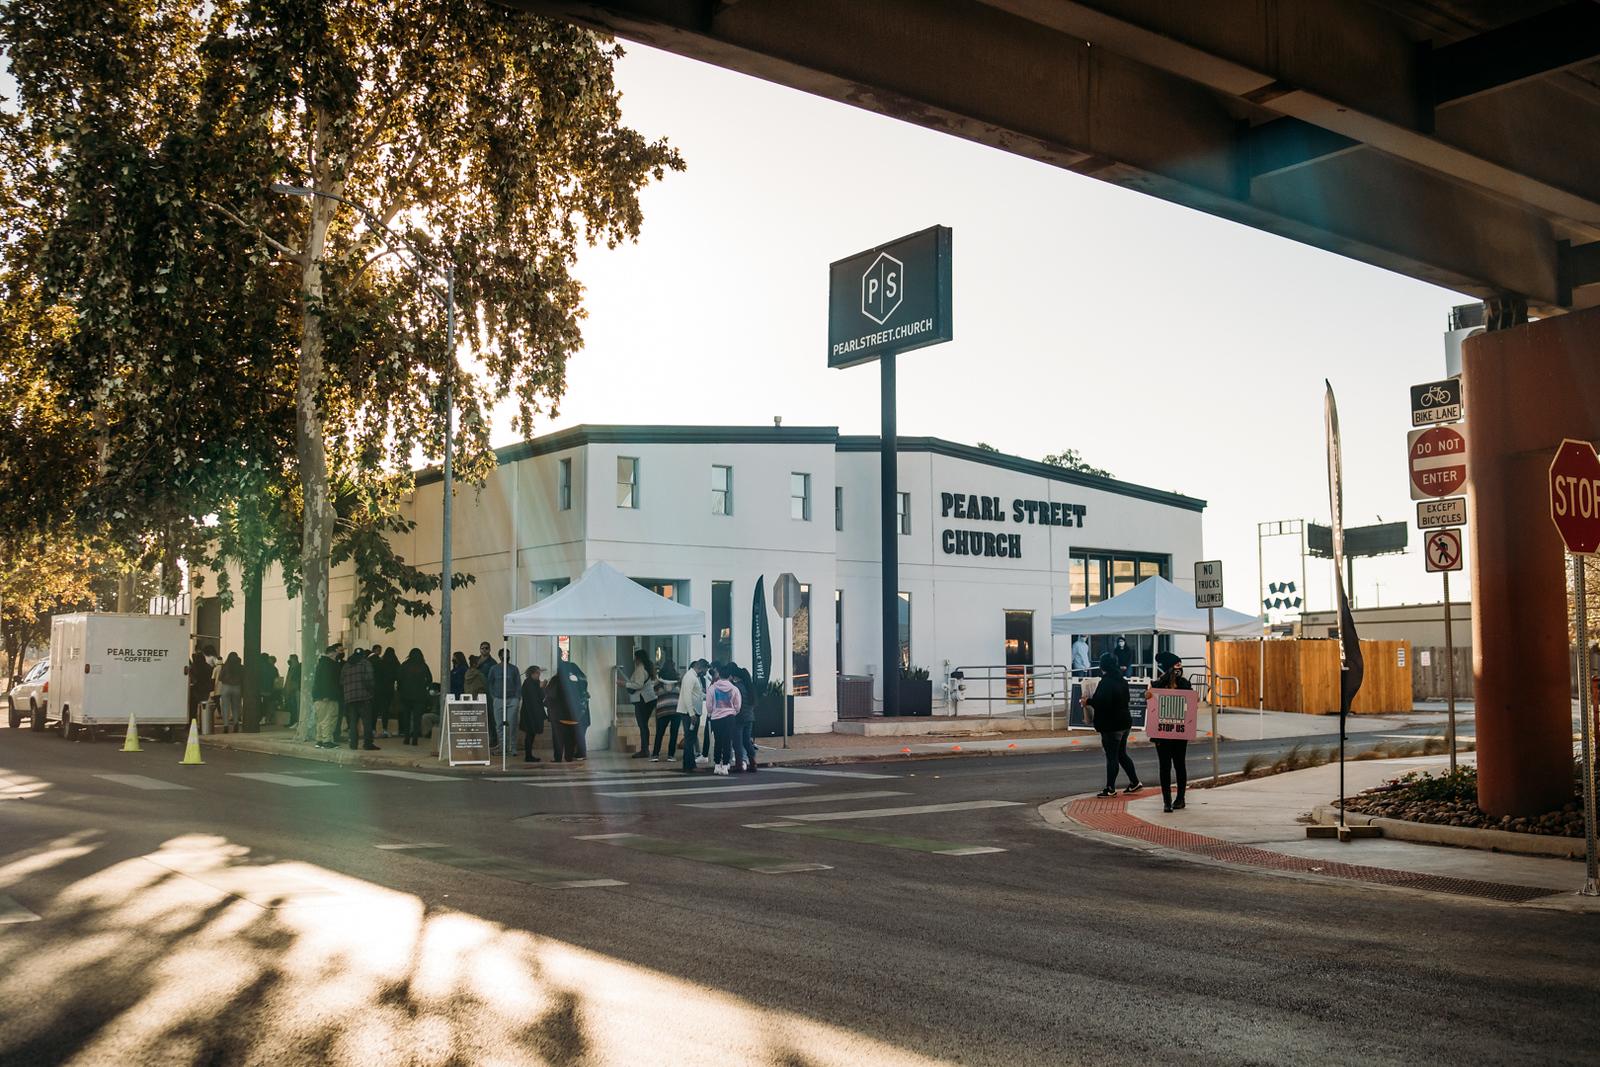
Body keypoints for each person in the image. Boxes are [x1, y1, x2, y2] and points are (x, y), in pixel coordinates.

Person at [1086, 652, 1141, 797]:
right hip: (1124, 722)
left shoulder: (1106, 682)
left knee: (1112, 757)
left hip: (1111, 724)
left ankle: (1110, 788)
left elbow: (1101, 703)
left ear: (1102, 666)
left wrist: (1088, 701)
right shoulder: (1122, 680)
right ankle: (1134, 782)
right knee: (1121, 753)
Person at [1152, 652, 1192, 813]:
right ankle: (1167, 801)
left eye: (1180, 666)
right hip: (1162, 733)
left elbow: (1191, 704)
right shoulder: (1157, 685)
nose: (1179, 669)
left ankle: (1180, 798)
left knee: (1179, 764)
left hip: (1180, 733)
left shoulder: (1185, 684)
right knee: (1165, 766)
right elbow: (1150, 700)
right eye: (1176, 666)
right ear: (1169, 668)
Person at [618, 649, 658, 759]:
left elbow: (638, 685)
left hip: (642, 700)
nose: (634, 660)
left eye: (635, 657)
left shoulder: (640, 669)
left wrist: (624, 684)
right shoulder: (649, 667)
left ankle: (644, 750)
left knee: (643, 726)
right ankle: (645, 749)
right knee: (644, 726)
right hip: (650, 699)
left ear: (638, 658)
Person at [547, 660, 589, 763]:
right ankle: (568, 757)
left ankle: (558, 757)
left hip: (559, 715)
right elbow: (584, 697)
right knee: (570, 738)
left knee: (558, 737)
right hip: (574, 716)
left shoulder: (556, 680)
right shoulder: (581, 681)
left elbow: (550, 695)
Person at [706, 663, 742, 775]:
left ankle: (717, 765)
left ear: (719, 675)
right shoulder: (734, 689)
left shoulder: (712, 688)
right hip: (729, 718)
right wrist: (734, 712)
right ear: (729, 676)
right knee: (727, 742)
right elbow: (738, 705)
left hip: (716, 718)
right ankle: (725, 766)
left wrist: (712, 712)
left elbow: (709, 705)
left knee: (718, 741)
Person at [342, 647, 378, 751]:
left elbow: (341, 681)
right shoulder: (365, 664)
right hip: (364, 697)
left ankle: (353, 744)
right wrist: (371, 692)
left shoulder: (346, 665)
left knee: (353, 722)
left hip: (350, 698)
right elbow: (370, 679)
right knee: (367, 722)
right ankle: (367, 744)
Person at [396, 647, 433, 747]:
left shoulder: (405, 665)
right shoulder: (423, 666)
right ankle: (415, 739)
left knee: (406, 718)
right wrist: (424, 687)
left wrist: (401, 690)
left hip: (406, 695)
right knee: (417, 718)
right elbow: (430, 679)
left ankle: (407, 738)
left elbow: (399, 679)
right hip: (419, 696)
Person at [487, 648, 521, 755]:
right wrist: (493, 696)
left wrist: (517, 698)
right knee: (499, 725)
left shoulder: (514, 669)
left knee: (512, 724)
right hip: (498, 699)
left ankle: (513, 748)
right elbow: (489, 683)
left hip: (512, 700)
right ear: (500, 656)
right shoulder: (494, 669)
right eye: (504, 655)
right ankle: (502, 748)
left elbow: (518, 684)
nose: (506, 657)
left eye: (508, 655)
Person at [676, 659, 708, 773]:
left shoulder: (694, 677)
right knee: (689, 739)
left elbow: (697, 694)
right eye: (705, 670)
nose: (705, 673)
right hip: (689, 713)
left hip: (692, 712)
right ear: (701, 667)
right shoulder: (690, 677)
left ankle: (690, 765)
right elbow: (687, 696)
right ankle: (689, 766)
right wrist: (692, 713)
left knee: (691, 739)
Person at [650, 664, 683, 762]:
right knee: (674, 734)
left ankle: (655, 755)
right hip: (675, 709)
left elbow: (655, 693)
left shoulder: (658, 683)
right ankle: (671, 756)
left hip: (662, 710)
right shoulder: (678, 683)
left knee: (659, 733)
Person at [311, 648, 342, 750]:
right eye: (337, 653)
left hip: (319, 697)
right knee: (329, 718)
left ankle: (319, 740)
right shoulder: (328, 665)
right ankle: (327, 741)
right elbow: (327, 680)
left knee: (321, 719)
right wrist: (326, 695)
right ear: (332, 653)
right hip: (328, 697)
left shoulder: (321, 663)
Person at [730, 664, 758, 773]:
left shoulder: (737, 688)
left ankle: (739, 764)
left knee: (737, 742)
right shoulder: (749, 687)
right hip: (749, 717)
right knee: (747, 741)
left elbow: (735, 703)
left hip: (739, 718)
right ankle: (753, 762)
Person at [520, 665, 547, 763]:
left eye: (539, 673)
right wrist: (541, 688)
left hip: (533, 713)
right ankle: (528, 756)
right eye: (537, 673)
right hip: (530, 713)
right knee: (529, 735)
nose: (539, 675)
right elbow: (535, 698)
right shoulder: (529, 683)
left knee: (531, 735)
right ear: (532, 674)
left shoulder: (533, 682)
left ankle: (529, 755)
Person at [215, 652, 245, 733]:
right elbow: (243, 678)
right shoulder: (240, 667)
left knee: (225, 707)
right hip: (237, 687)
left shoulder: (225, 666)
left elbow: (220, 678)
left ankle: (226, 725)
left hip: (226, 687)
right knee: (236, 707)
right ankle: (236, 724)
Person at [187, 646, 214, 725]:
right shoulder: (208, 667)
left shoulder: (194, 667)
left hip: (195, 690)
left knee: (193, 709)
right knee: (204, 708)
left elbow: (192, 677)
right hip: (205, 690)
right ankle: (204, 724)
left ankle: (192, 723)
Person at [284, 653, 302, 730]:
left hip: (295, 689)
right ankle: (293, 721)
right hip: (292, 689)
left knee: (296, 706)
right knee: (292, 706)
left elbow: (293, 680)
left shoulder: (297, 668)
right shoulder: (292, 667)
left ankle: (296, 721)